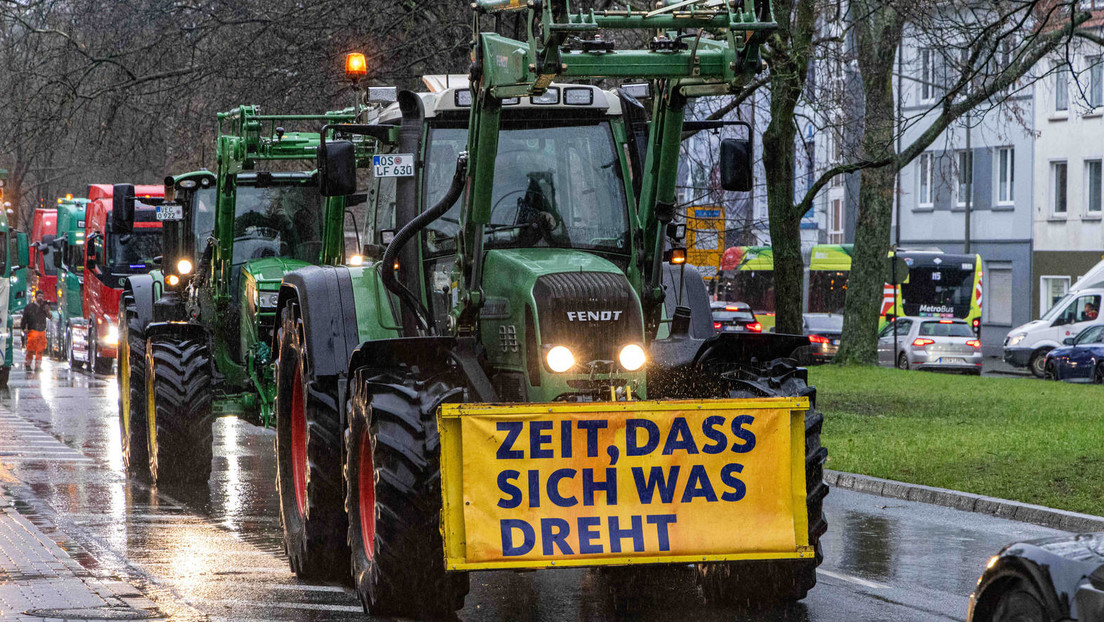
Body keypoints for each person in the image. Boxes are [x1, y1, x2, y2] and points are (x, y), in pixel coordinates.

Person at [21, 290, 49, 372]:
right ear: (35, 297)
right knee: (30, 350)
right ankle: (28, 365)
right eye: (39, 296)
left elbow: (50, 317)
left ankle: (38, 367)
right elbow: (24, 319)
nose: (41, 298)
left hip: (42, 332)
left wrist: (47, 310)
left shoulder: (44, 307)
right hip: (32, 332)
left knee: (40, 351)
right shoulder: (29, 307)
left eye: (42, 296)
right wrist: (24, 328)